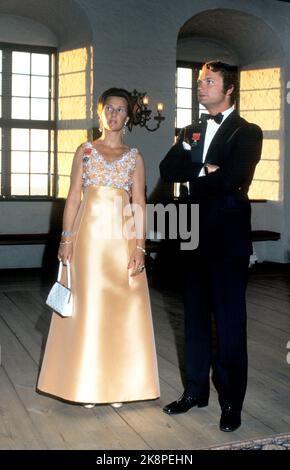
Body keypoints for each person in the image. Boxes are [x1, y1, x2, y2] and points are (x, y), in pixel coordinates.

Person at [37, 88, 160, 408]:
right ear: (100, 112)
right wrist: (66, 239)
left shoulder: (135, 157)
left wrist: (139, 247)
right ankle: (87, 383)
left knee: (120, 311)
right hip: (88, 240)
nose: (114, 114)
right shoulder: (85, 151)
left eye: (121, 110)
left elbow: (139, 203)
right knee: (88, 309)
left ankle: (117, 384)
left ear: (128, 117)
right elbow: (74, 196)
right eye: (110, 108)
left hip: (121, 240)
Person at [159, 61, 263, 431]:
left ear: (229, 88)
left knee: (230, 323)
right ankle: (194, 392)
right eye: (200, 80)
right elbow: (168, 170)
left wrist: (193, 179)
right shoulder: (190, 130)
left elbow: (234, 179)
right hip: (191, 234)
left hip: (227, 237)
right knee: (195, 318)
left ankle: (231, 402)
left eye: (209, 81)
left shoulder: (247, 131)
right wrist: (203, 171)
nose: (201, 86)